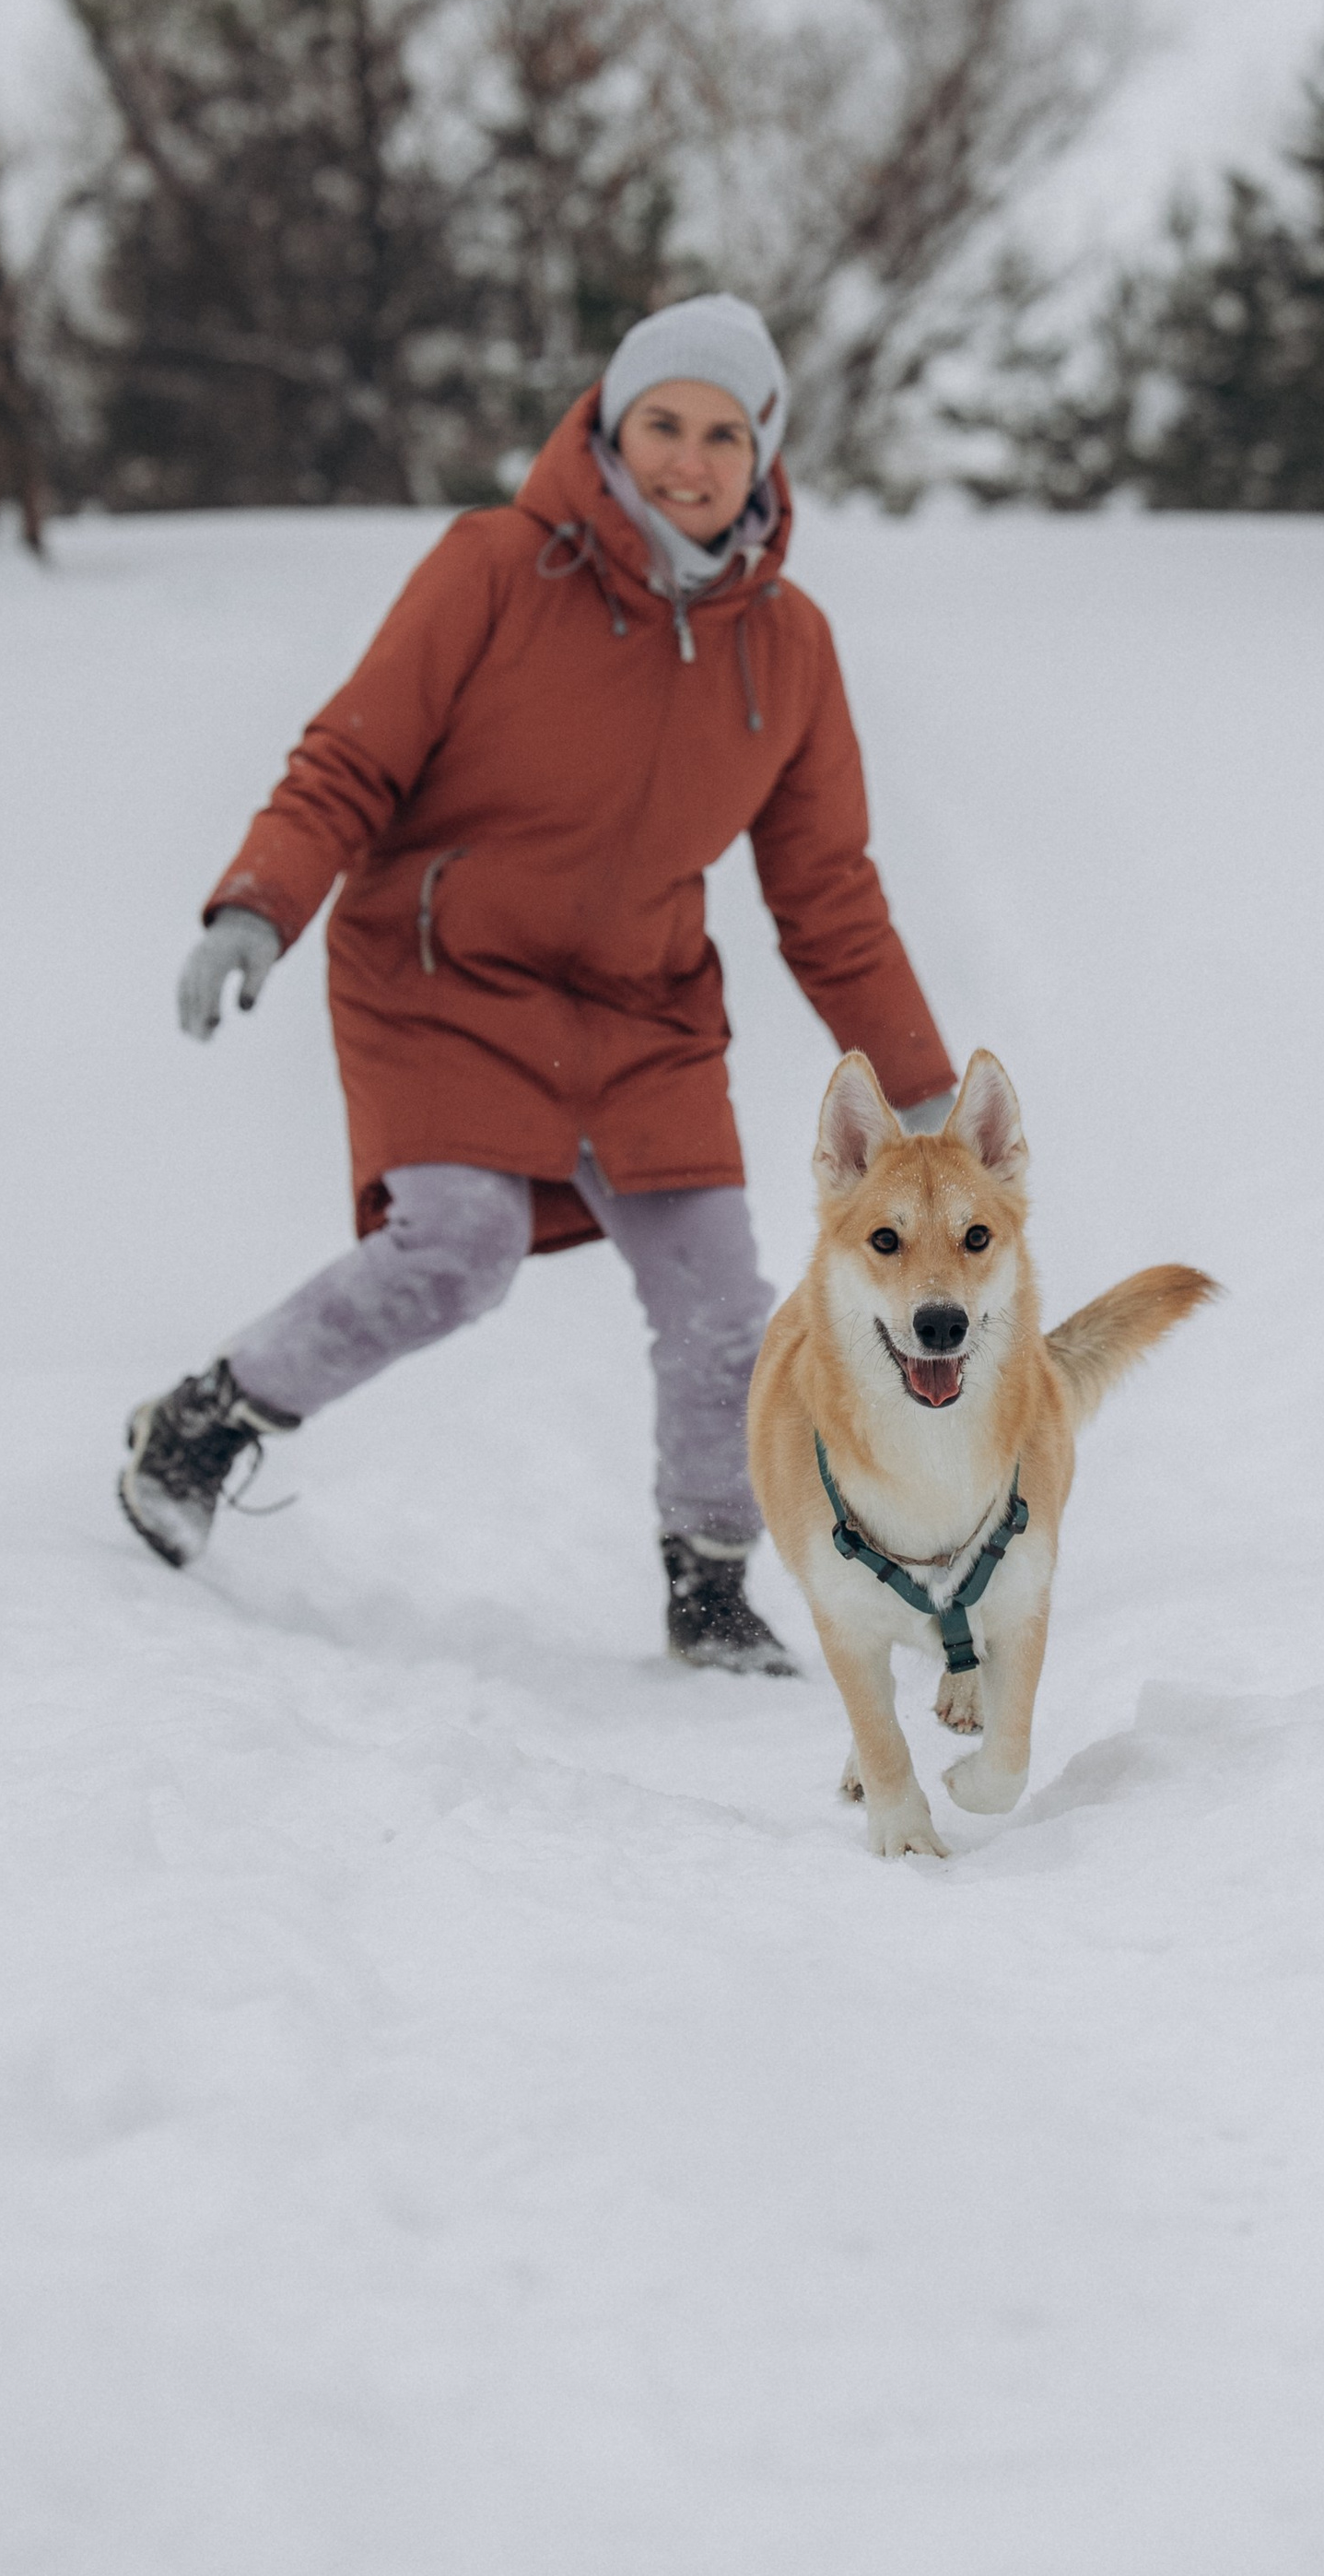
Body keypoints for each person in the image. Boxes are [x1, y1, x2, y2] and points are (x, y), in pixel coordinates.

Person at [117, 295, 955, 1673]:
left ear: (766, 456)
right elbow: (351, 759)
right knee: (458, 1252)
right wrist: (258, 908)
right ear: (612, 429)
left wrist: (920, 1088)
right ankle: (206, 1420)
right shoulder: (496, 566)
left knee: (723, 1315)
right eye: (663, 424)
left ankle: (708, 1583)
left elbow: (827, 891)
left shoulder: (788, 645)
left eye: (723, 434)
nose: (689, 460)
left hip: (642, 1007)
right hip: (443, 969)